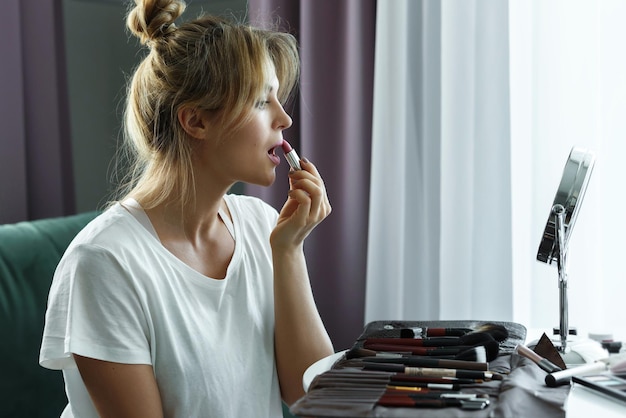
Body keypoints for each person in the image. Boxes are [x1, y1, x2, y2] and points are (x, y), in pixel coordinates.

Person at [39, 0, 334, 416]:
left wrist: (288, 251)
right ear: (195, 122)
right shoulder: (104, 263)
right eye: (261, 101)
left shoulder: (262, 228)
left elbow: (310, 392)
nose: (284, 118)